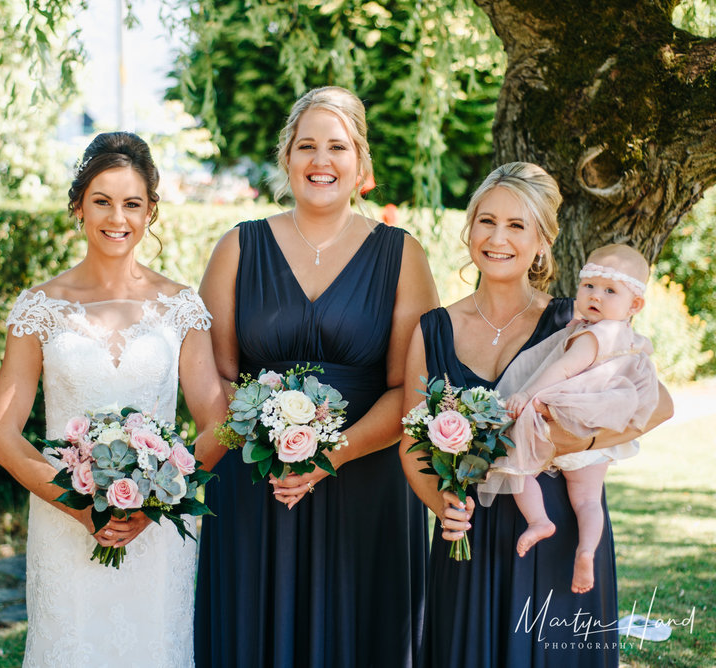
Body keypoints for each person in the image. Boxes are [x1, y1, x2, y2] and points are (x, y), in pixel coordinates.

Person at [195, 86, 439, 667]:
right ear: (287, 158)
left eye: (337, 147)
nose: (320, 161)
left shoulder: (402, 255)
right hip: (260, 484)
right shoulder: (238, 246)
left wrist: (329, 455)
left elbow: (412, 388)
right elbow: (216, 375)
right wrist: (270, 442)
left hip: (368, 482)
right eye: (306, 145)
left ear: (361, 164)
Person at [398, 162, 673, 668]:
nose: (497, 237)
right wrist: (441, 505)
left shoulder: (577, 317)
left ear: (543, 241)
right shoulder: (432, 329)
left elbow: (658, 403)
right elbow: (410, 438)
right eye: (486, 221)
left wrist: (565, 444)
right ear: (470, 228)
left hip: (561, 528)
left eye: (517, 225)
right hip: (471, 535)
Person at [0, 131, 226, 668]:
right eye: (102, 201)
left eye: (132, 204)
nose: (117, 217)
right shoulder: (40, 308)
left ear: (150, 213)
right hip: (63, 518)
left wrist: (159, 499)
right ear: (78, 206)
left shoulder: (181, 306)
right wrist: (79, 506)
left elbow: (218, 422)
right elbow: (1, 434)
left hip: (158, 531)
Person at [479, 243, 658, 594]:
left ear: (634, 305)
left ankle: (538, 520)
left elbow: (563, 369)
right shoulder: (629, 338)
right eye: (589, 286)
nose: (596, 296)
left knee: (516, 463)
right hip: (596, 436)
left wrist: (526, 395)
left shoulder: (594, 335)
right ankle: (587, 550)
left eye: (610, 290)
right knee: (589, 501)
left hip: (564, 416)